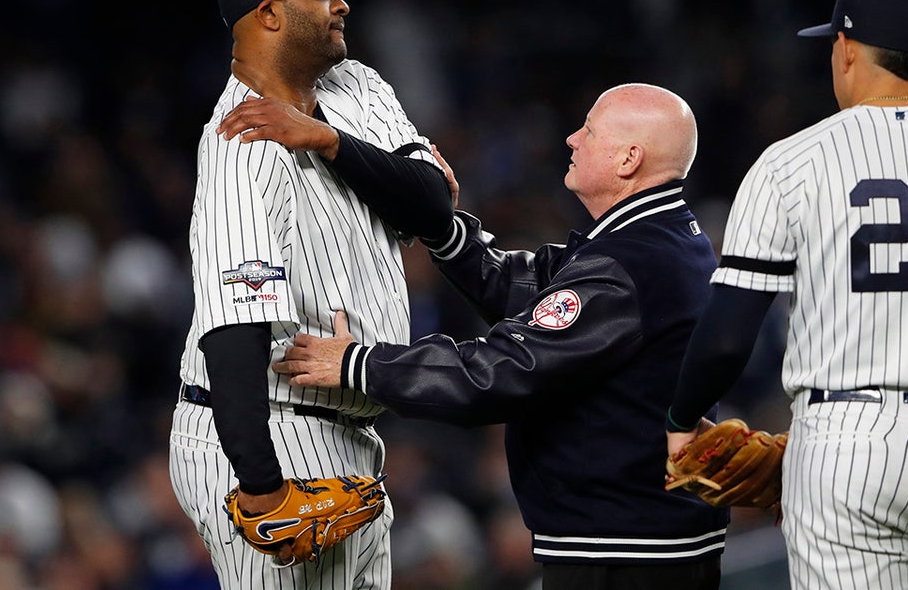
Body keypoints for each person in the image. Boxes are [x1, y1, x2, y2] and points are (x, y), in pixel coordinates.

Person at [272, 83, 730, 590]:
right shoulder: (659, 239)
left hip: (626, 555)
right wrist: (441, 228)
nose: (572, 139)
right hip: (648, 538)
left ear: (629, 158)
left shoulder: (629, 264)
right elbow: (531, 288)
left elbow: (500, 373)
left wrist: (360, 365)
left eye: (590, 131)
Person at [664, 0, 908, 589]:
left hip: (845, 451)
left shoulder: (790, 162)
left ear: (847, 49)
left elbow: (724, 338)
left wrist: (683, 420)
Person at [167, 0, 453, 589]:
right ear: (267, 13)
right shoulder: (242, 144)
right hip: (271, 423)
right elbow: (232, 325)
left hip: (349, 427)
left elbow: (434, 204)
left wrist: (328, 140)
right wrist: (263, 487)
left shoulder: (357, 83)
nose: (341, 3)